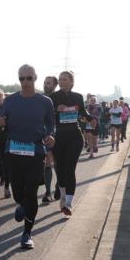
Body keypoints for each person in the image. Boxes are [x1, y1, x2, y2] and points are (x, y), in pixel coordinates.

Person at [0, 65, 56, 249]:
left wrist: (51, 136)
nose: (25, 82)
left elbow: (51, 125)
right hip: (13, 152)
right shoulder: (11, 100)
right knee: (18, 193)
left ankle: (27, 233)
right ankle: (20, 204)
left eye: (29, 78)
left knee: (31, 193)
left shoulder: (45, 102)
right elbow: (2, 121)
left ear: (35, 78)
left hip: (36, 152)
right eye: (22, 79)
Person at [50, 71, 89, 217]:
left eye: (64, 79)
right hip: (59, 137)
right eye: (60, 79)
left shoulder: (78, 97)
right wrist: (55, 110)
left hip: (74, 136)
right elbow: (47, 115)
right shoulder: (53, 97)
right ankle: (62, 195)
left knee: (70, 169)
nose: (61, 81)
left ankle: (68, 203)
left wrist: (91, 119)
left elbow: (83, 113)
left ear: (71, 82)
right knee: (60, 169)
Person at [41, 75, 59, 204]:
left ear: (54, 85)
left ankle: (59, 186)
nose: (46, 85)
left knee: (58, 163)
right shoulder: (39, 98)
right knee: (47, 162)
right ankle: (47, 192)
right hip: (45, 134)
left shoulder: (59, 97)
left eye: (49, 83)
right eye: (45, 82)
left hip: (59, 133)